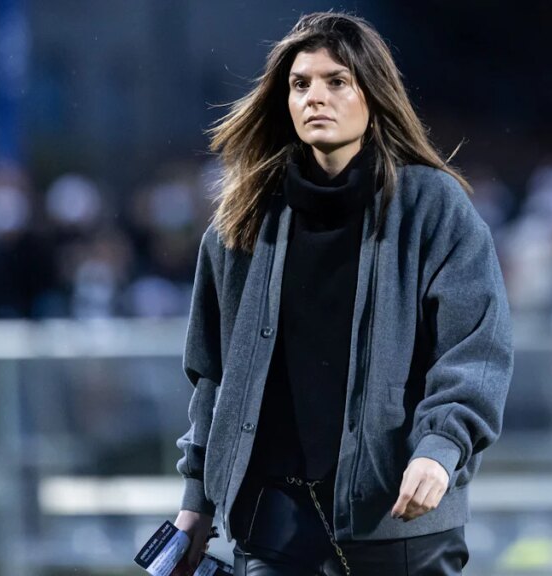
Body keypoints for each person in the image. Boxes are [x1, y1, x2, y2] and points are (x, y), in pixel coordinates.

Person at [173, 11, 513, 576]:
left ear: (372, 94)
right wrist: (196, 501)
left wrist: (440, 449)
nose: (315, 97)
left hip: (398, 518)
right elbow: (214, 376)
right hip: (273, 522)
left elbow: (474, 349)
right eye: (300, 84)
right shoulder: (242, 218)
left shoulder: (432, 206)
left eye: (337, 81)